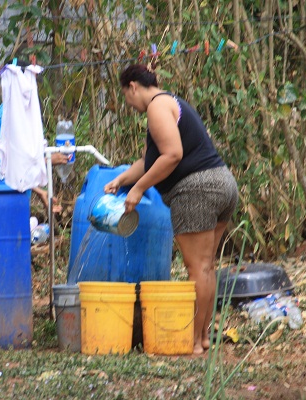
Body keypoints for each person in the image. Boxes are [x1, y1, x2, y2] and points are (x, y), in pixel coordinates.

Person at [104, 64, 238, 355]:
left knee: (197, 268)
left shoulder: (155, 107)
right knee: (206, 267)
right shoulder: (169, 103)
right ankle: (201, 338)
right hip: (222, 183)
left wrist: (139, 189)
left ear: (133, 86)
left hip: (198, 190)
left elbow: (173, 154)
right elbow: (150, 161)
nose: (127, 103)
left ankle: (190, 341)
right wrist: (123, 179)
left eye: (125, 95)